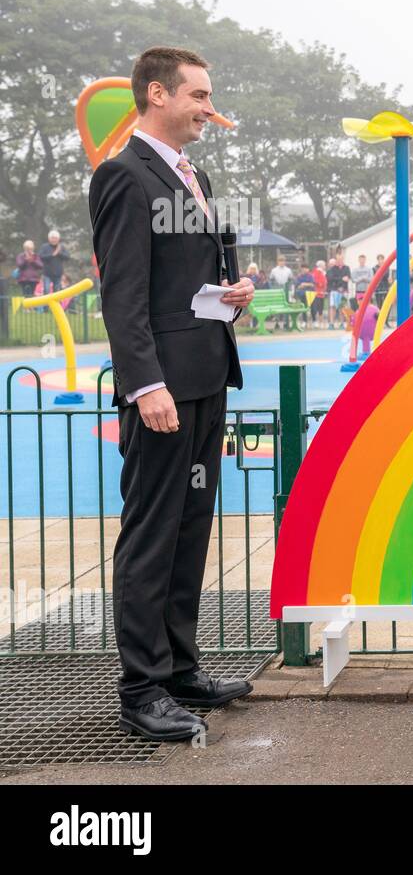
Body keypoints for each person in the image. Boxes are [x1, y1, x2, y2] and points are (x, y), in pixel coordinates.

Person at [88, 46, 255, 743]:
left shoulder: (198, 175)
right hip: (161, 389)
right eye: (199, 95)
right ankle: (141, 688)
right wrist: (146, 382)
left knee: (191, 529)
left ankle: (181, 668)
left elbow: (195, 276)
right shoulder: (125, 176)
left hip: (206, 376)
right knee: (152, 534)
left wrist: (234, 294)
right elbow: (122, 292)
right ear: (157, 94)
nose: (209, 108)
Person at [38, 231, 67, 295]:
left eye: (55, 238)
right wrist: (52, 255)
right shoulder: (44, 246)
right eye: (52, 238)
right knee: (47, 290)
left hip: (58, 273)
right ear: (49, 239)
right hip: (47, 273)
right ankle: (46, 305)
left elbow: (67, 257)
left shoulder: (61, 247)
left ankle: (56, 304)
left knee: (57, 292)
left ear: (58, 239)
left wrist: (59, 253)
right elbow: (41, 256)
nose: (54, 240)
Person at [311, 259, 327, 327]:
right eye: (324, 265)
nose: (325, 266)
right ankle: (316, 321)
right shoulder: (317, 272)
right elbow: (317, 281)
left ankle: (320, 321)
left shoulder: (323, 272)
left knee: (321, 308)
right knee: (317, 307)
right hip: (317, 292)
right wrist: (321, 284)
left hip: (321, 293)